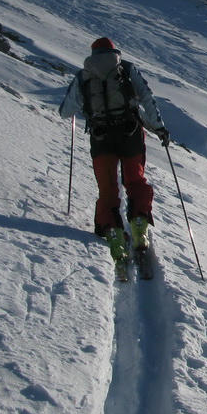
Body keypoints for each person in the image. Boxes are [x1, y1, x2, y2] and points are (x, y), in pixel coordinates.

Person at [59, 37, 170, 262]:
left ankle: (112, 231)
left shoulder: (83, 75)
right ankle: (139, 223)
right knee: (135, 180)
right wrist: (159, 128)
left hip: (101, 137)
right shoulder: (126, 69)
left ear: (92, 54)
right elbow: (147, 97)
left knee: (108, 187)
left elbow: (65, 111)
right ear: (113, 51)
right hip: (131, 134)